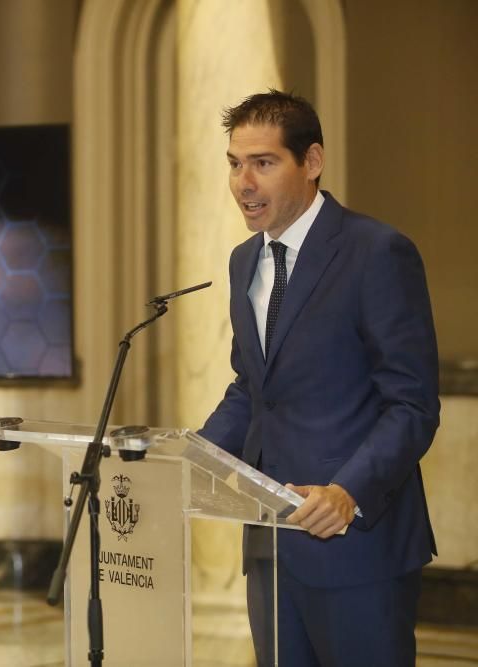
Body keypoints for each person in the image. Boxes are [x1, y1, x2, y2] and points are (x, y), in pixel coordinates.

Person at [198, 90, 440, 667]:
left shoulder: (376, 252)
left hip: (357, 546)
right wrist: (192, 458)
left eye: (263, 163)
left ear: (311, 162)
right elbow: (252, 390)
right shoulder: (243, 262)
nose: (243, 183)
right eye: (234, 164)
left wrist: (347, 491)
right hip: (269, 552)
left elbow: (411, 404)